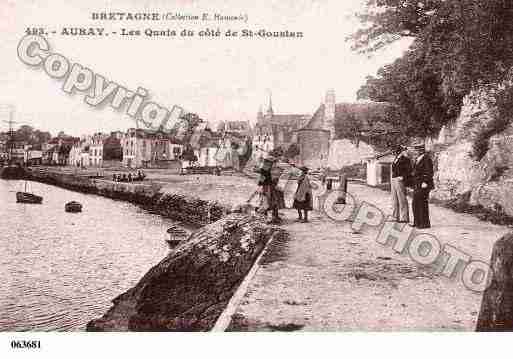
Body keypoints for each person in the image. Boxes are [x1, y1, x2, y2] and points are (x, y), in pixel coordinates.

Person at [410, 143, 434, 229]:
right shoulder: (418, 159)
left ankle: (424, 224)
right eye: (415, 150)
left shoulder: (426, 159)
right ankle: (417, 222)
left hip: (424, 184)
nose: (415, 152)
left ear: (421, 150)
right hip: (417, 183)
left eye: (416, 150)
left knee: (422, 203)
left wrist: (425, 182)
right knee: (415, 203)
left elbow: (429, 172)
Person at [390, 145, 412, 223]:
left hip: (400, 180)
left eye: (394, 151)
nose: (393, 152)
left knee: (402, 198)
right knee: (394, 198)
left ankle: (404, 217)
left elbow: (409, 170)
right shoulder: (395, 159)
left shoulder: (405, 159)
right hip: (394, 179)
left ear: (398, 151)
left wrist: (403, 177)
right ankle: (395, 216)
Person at [257, 154, 281, 224]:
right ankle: (271, 217)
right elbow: (262, 179)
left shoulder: (266, 168)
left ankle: (271, 217)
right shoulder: (266, 169)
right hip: (268, 187)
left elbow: (262, 179)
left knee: (269, 202)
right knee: (269, 201)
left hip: (269, 187)